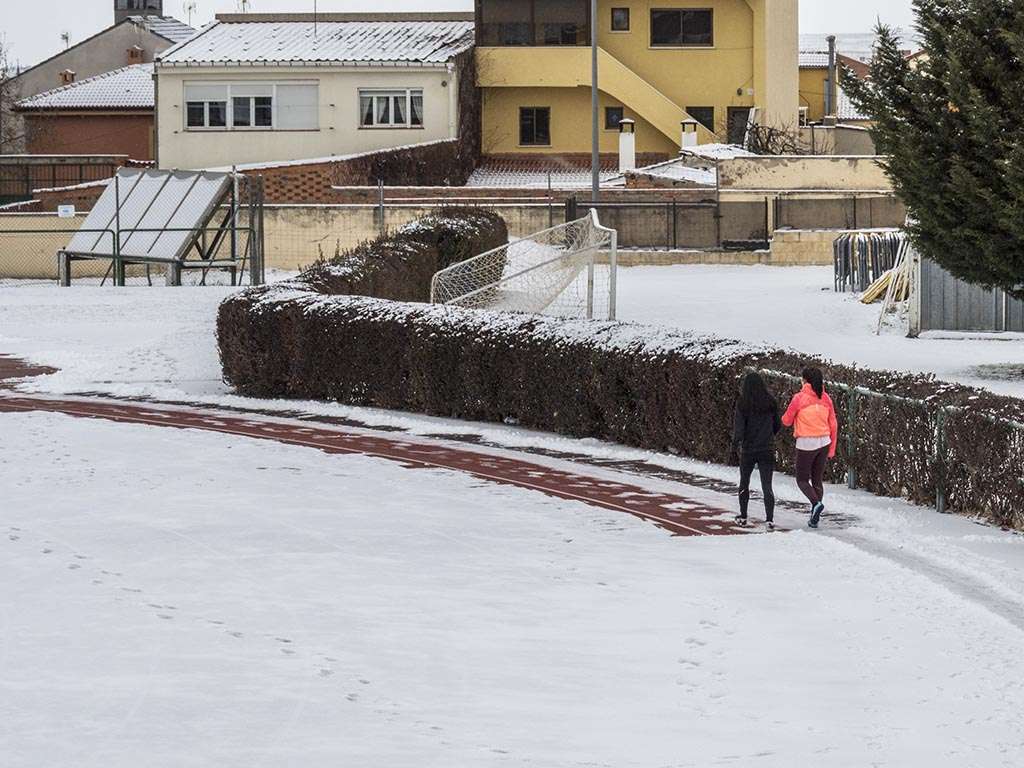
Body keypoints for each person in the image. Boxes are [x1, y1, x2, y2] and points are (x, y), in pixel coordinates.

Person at [781, 367, 838, 529]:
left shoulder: (799, 398)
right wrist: (832, 448)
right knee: (817, 479)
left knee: (802, 479)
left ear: (805, 380)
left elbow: (786, 420)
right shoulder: (826, 398)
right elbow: (833, 424)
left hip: (807, 442)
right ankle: (815, 517)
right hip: (824, 442)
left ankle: (816, 504)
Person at [732, 372, 781, 530]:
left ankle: (743, 515)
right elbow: (777, 425)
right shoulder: (770, 402)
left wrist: (734, 446)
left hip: (749, 449)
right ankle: (769, 519)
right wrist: (769, 435)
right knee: (767, 485)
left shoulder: (743, 403)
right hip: (767, 447)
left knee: (744, 482)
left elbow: (739, 428)